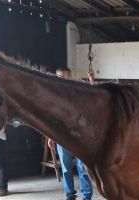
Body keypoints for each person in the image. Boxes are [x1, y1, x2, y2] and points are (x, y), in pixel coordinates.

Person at [48, 67, 94, 200]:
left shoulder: (77, 92)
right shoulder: (54, 98)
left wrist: (91, 80)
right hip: (63, 138)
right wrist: (50, 136)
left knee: (83, 168)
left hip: (80, 138)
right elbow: (51, 119)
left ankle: (87, 196)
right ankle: (70, 194)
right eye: (61, 77)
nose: (65, 80)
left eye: (67, 77)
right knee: (66, 168)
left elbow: (92, 98)